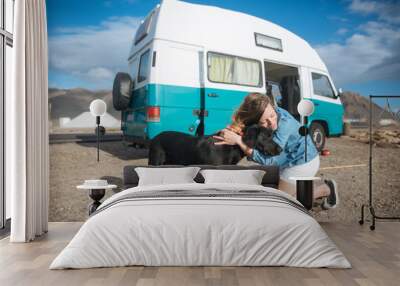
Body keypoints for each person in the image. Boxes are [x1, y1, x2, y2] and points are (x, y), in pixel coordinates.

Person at [213, 92, 338, 209]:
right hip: (287, 159)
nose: (272, 122)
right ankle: (303, 189)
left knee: (283, 204)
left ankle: (326, 189)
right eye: (265, 122)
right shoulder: (263, 115)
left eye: (272, 116)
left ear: (273, 107)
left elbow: (270, 161)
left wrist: (239, 141)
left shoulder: (284, 125)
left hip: (302, 162)